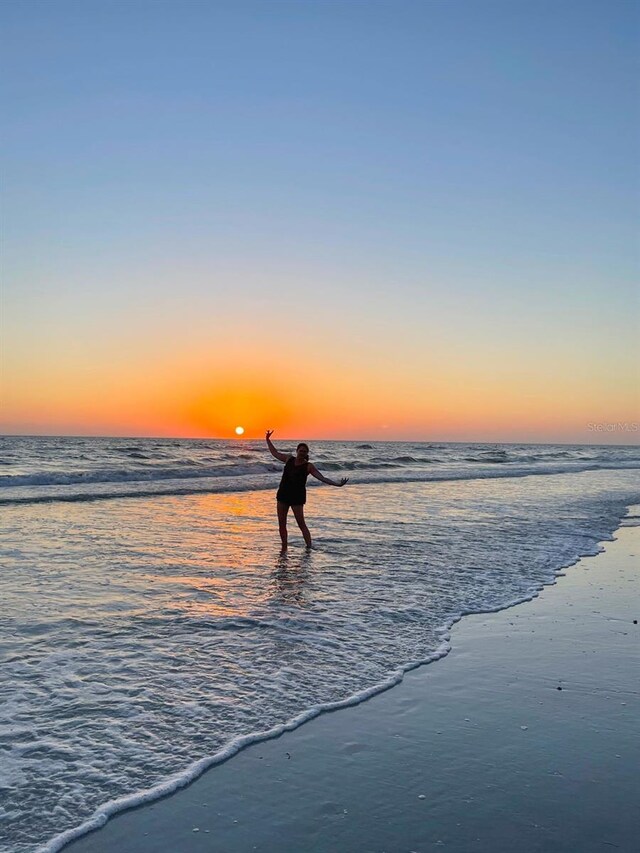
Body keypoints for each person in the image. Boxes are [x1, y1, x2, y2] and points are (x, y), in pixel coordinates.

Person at [265, 430, 348, 549]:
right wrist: (267, 440)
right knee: (282, 524)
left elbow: (322, 478)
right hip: (283, 495)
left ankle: (309, 547)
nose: (302, 453)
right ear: (297, 451)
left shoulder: (308, 466)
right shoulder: (289, 459)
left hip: (297, 497)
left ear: (307, 453)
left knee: (301, 524)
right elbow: (275, 453)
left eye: (304, 451)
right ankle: (284, 547)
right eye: (300, 451)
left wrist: (337, 484)